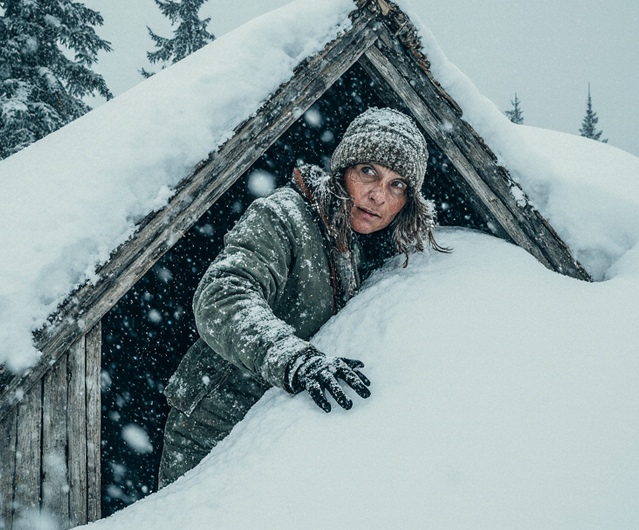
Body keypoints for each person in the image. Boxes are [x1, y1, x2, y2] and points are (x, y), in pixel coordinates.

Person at [157, 107, 447, 488]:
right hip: (213, 426)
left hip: (280, 437)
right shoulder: (284, 216)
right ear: (343, 170)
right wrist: (293, 358)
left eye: (397, 185)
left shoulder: (368, 249)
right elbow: (222, 296)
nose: (378, 195)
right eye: (369, 172)